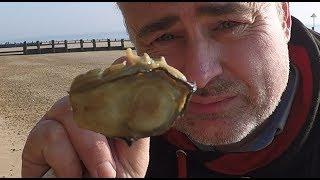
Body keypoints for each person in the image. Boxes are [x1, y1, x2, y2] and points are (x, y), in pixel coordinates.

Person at [21, 2, 320, 178]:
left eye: (229, 24)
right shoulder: (121, 146)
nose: (200, 76)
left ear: (283, 17)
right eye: (164, 36)